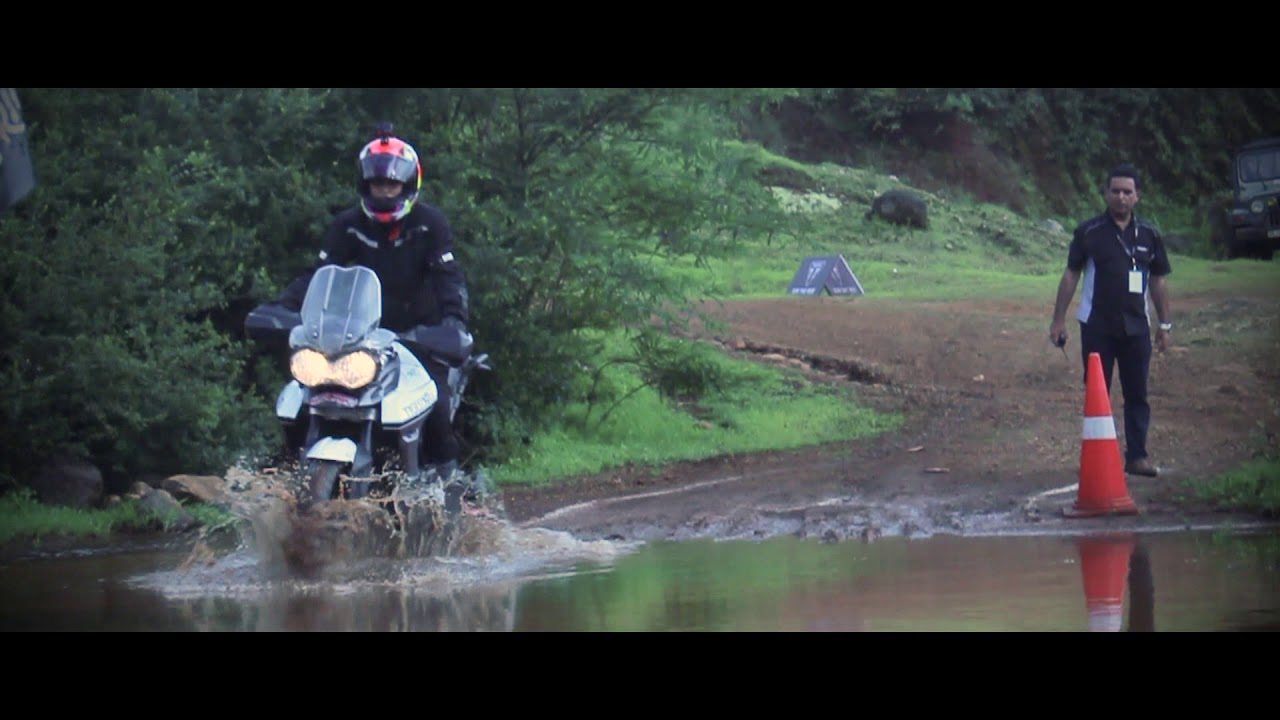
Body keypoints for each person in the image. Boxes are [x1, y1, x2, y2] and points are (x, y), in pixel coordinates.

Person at [274, 122, 470, 483]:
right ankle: (286, 480)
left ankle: (448, 485)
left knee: (438, 405)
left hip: (418, 338)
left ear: (407, 185)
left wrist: (453, 323)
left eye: (391, 184)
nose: (384, 191)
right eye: (377, 184)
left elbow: (448, 278)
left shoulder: (430, 224)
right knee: (302, 398)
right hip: (358, 338)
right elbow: (318, 273)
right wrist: (283, 308)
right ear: (365, 185)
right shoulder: (348, 225)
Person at [1050, 163, 1172, 477]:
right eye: (1115, 191)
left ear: (1138, 196)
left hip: (1137, 328)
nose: (1121, 197)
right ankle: (1098, 461)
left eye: (1127, 192)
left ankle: (1137, 457)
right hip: (1097, 328)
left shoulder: (1150, 235)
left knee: (1137, 394)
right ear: (1106, 193)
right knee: (1097, 393)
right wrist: (1058, 320)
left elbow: (1158, 281)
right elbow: (1071, 274)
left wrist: (1164, 325)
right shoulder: (1089, 232)